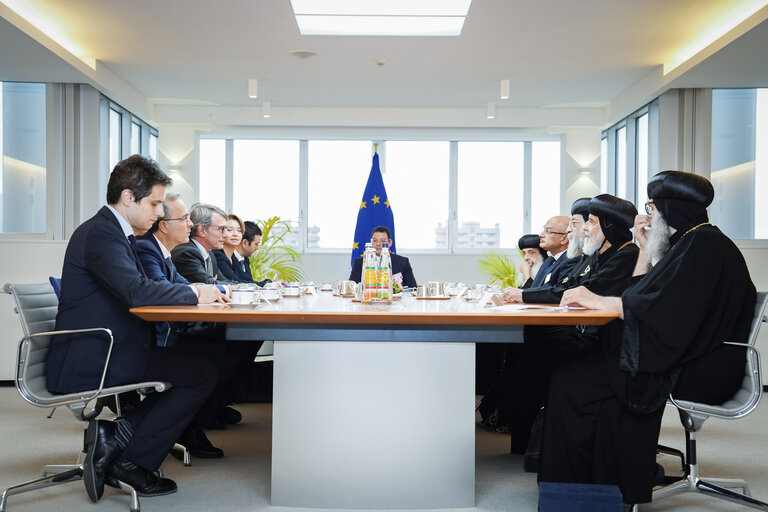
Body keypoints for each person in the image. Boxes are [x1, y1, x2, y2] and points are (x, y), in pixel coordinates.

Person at [540, 171, 756, 505]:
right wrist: (643, 250)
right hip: (690, 353)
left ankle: (593, 490)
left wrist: (601, 301)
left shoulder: (703, 245)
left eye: (652, 207)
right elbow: (643, 292)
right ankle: (602, 484)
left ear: (669, 208)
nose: (647, 216)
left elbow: (663, 310)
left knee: (573, 382)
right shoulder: (691, 241)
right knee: (578, 375)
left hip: (706, 367)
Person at [46, 155, 226, 501]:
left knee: (200, 366)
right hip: (93, 357)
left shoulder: (116, 233)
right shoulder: (102, 234)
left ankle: (116, 437)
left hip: (109, 348)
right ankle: (129, 461)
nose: (159, 213)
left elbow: (141, 288)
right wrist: (194, 291)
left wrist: (190, 292)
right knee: (200, 373)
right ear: (128, 197)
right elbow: (137, 291)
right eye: (155, 203)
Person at [504, 195, 639, 462]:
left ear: (609, 226)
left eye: (590, 222)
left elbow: (578, 292)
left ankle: (537, 444)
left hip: (606, 343)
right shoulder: (598, 254)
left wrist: (524, 296)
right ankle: (526, 439)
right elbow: (570, 287)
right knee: (525, 344)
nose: (583, 228)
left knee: (533, 350)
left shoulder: (626, 254)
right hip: (588, 333)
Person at [137, 194, 243, 437]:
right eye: (184, 218)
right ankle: (188, 426)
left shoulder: (164, 252)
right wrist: (200, 291)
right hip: (156, 339)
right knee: (218, 356)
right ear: (164, 225)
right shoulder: (147, 249)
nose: (190, 225)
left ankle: (194, 420)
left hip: (170, 331)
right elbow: (163, 290)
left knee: (230, 348)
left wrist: (206, 290)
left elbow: (183, 284)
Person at [171, 203, 233, 284]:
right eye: (221, 229)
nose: (225, 235)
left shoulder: (210, 255)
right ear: (202, 231)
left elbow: (224, 281)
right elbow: (208, 284)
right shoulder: (186, 252)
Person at [349, 226, 417, 288]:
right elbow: (351, 287)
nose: (378, 244)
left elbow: (412, 288)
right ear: (371, 242)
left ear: (389, 243)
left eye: (383, 241)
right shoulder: (359, 263)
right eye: (375, 240)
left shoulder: (402, 262)